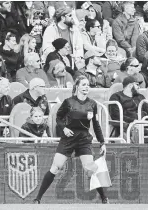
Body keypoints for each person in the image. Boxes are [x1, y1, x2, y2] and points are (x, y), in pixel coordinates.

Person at [33, 75, 109, 204]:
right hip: (68, 138)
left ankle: (104, 199)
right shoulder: (68, 102)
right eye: (83, 84)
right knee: (56, 167)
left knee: (90, 169)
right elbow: (59, 117)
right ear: (77, 86)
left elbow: (96, 125)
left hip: (84, 138)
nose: (86, 87)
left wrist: (102, 142)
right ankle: (37, 199)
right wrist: (64, 128)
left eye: (88, 85)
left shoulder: (92, 104)